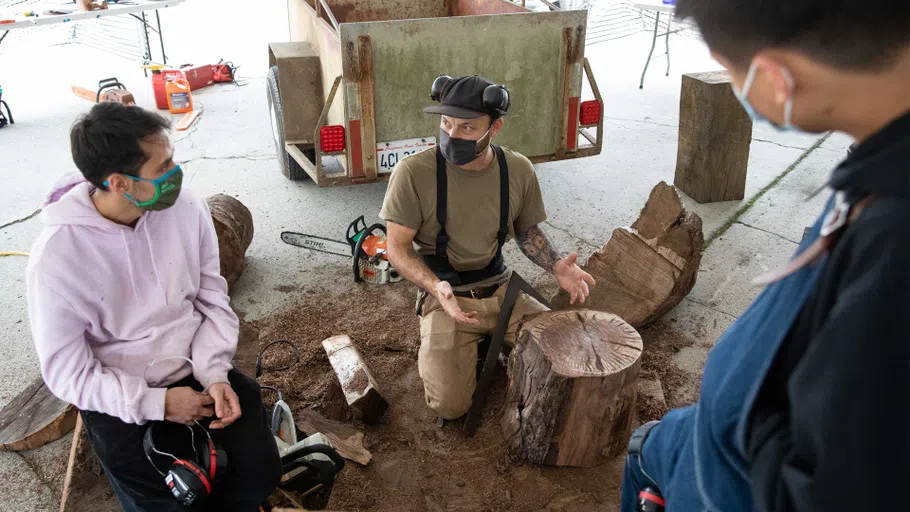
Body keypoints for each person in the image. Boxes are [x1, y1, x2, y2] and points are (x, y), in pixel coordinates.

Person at [620, 1, 910, 511]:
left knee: (646, 452)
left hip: (741, 483)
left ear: (776, 77)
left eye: (733, 74)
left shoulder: (892, 247)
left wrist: (737, 426)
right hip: (738, 438)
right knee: (651, 443)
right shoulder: (880, 166)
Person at [26, 103, 281, 511]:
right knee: (166, 501)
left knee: (259, 469)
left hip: (195, 369)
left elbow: (211, 297)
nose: (175, 174)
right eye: (162, 168)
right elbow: (67, 373)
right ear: (118, 183)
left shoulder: (186, 209)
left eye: (172, 159)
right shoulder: (57, 259)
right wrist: (156, 405)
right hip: (122, 397)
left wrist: (214, 372)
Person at [380, 74, 596, 421]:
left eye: (467, 129)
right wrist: (434, 286)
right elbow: (397, 249)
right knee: (450, 407)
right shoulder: (412, 173)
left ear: (494, 129)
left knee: (564, 355)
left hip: (502, 289)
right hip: (447, 297)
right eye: (446, 123)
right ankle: (464, 347)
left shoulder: (517, 170)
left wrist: (557, 266)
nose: (452, 135)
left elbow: (526, 231)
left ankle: (484, 344)